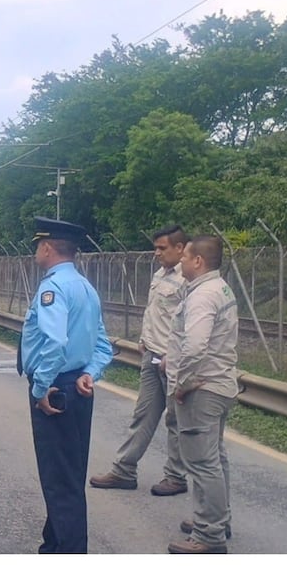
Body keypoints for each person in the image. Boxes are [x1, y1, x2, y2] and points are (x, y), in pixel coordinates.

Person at [17, 216, 113, 554]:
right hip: (78, 386)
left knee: (59, 481)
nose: (35, 252)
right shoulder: (85, 286)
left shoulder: (53, 287)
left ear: (46, 247)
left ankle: (69, 552)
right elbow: (103, 344)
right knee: (68, 476)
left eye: (36, 247)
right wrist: (91, 372)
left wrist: (41, 388)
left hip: (56, 388)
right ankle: (54, 545)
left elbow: (55, 342)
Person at [90, 225, 189, 496]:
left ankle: (176, 477)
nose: (156, 253)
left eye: (162, 248)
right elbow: (156, 312)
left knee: (176, 421)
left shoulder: (189, 278)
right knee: (142, 415)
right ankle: (124, 470)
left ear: (180, 249)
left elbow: (189, 324)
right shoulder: (160, 274)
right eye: (155, 247)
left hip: (174, 360)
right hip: (152, 355)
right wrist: (145, 340)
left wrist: (175, 355)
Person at [166, 235, 239, 554]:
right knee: (215, 458)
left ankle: (209, 536)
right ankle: (217, 520)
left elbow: (194, 345)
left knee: (202, 461)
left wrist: (181, 383)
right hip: (219, 384)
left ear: (198, 261)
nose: (181, 260)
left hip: (202, 388)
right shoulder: (220, 288)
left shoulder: (202, 296)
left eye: (186, 257)